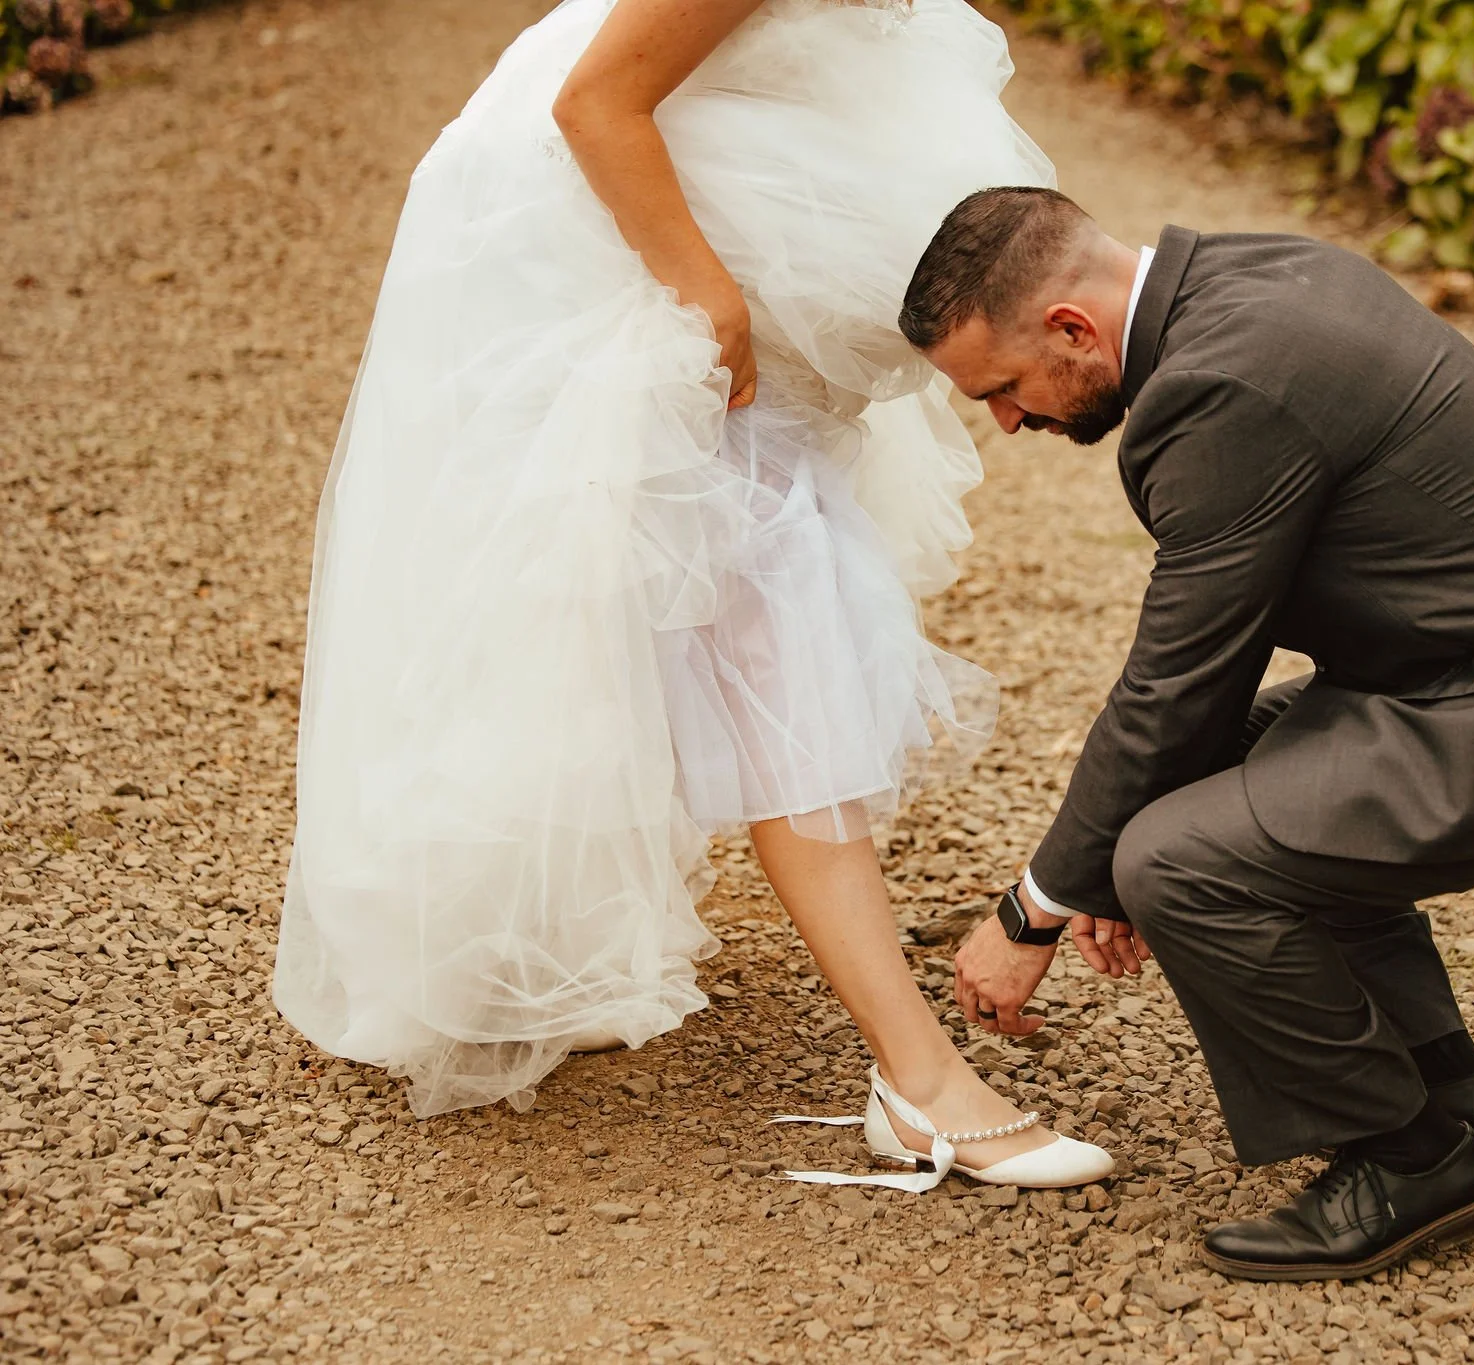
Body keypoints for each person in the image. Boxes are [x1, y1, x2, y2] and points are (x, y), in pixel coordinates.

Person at [273, 0, 1112, 1192]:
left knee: (696, 607)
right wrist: (705, 298)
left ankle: (539, 946)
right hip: (614, 251)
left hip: (728, 240)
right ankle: (919, 1083)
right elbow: (593, 100)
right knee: (774, 614)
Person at [908, 188, 1474, 1276]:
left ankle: (1409, 1157)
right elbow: (1188, 711)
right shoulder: (1249, 278)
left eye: (1003, 391)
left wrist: (1036, 909)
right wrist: (1084, 867)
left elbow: (1174, 685)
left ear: (1071, 328)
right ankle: (1447, 1081)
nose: (1008, 423)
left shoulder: (1217, 387)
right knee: (1200, 796)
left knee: (1179, 859)